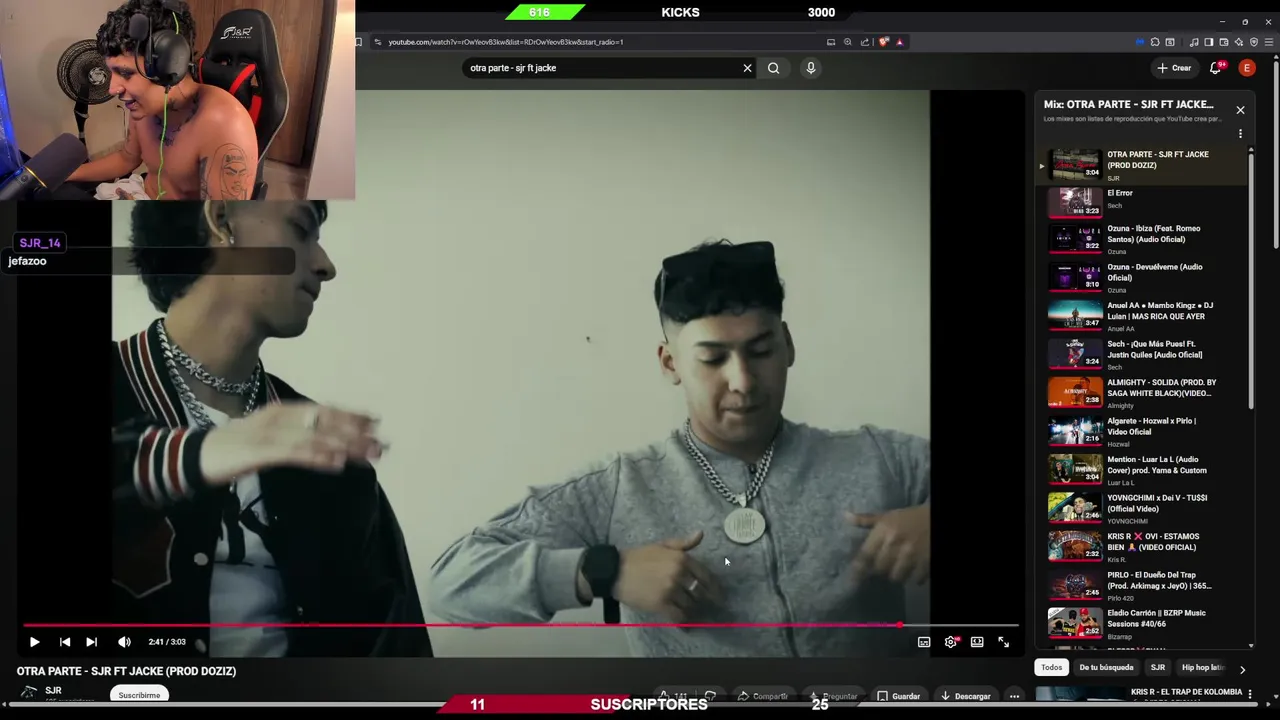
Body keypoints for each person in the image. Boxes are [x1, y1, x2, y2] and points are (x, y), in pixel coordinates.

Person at [429, 240, 930, 658]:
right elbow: (451, 583)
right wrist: (605, 572)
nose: (742, 381)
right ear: (670, 363)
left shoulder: (880, 459)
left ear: (788, 345)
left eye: (760, 351)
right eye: (712, 359)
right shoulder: (620, 487)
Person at [111, 200, 430, 657]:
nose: (325, 265)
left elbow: (397, 651)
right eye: (301, 228)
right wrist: (201, 454)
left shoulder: (328, 449)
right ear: (221, 219)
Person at [68, 0, 258, 199]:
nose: (112, 89)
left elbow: (218, 218)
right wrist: (64, 175)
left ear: (170, 64)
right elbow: (127, 158)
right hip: (139, 194)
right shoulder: (143, 107)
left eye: (125, 73)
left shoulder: (224, 123)